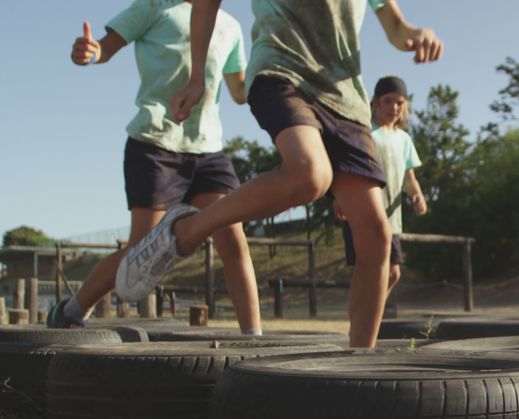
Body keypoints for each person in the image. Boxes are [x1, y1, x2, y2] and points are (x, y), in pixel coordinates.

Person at [115, 0, 441, 347]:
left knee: (376, 236)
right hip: (282, 70)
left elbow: (394, 26)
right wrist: (197, 78)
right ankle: (186, 231)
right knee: (310, 174)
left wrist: (414, 34)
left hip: (345, 98)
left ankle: (358, 365)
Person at [50, 0, 261, 334]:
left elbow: (238, 90)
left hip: (209, 149)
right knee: (141, 252)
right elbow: (105, 49)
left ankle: (254, 336)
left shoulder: (231, 26)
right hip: (155, 143)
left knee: (233, 240)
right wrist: (90, 51)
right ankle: (72, 310)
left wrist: (274, 74)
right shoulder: (154, 7)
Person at [336, 76, 428, 314]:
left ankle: (370, 315)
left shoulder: (404, 139)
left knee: (393, 272)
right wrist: (339, 197)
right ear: (376, 102)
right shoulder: (365, 133)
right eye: (388, 101)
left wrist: (417, 196)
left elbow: (409, 178)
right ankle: (360, 318)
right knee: (367, 269)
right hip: (362, 213)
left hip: (392, 219)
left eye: (399, 102)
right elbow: (346, 168)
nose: (394, 108)